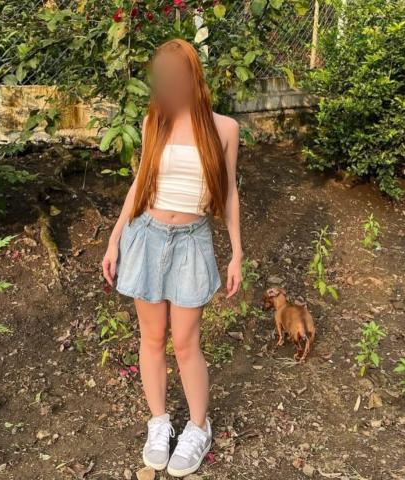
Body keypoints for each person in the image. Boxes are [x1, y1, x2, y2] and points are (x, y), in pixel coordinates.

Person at [101, 38, 243, 477]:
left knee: (184, 342)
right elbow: (140, 183)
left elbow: (230, 193)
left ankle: (198, 428)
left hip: (191, 242)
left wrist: (237, 252)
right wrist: (115, 238)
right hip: (146, 236)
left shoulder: (224, 129)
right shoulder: (154, 121)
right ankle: (159, 422)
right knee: (151, 338)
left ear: (193, 76)